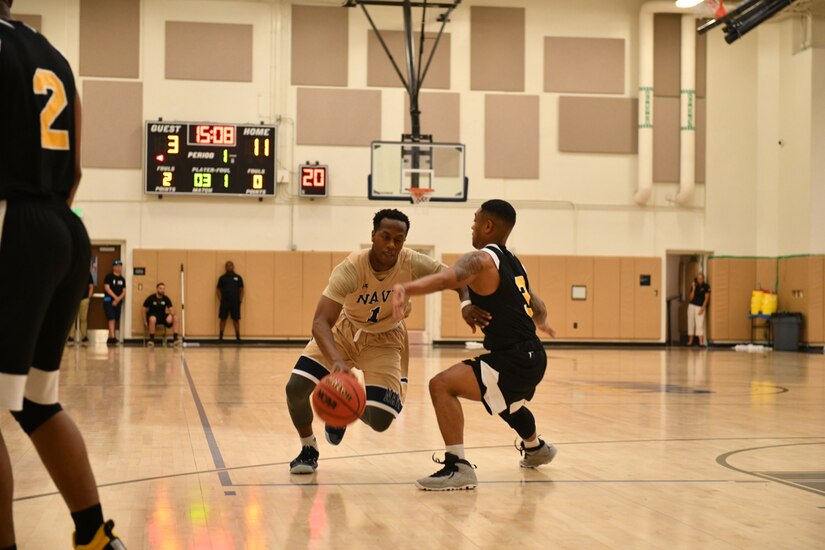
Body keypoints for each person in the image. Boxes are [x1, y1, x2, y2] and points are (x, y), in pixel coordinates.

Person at [0, 2, 126, 548]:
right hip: (63, 226)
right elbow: (75, 169)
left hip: (11, 221)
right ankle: (94, 535)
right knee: (36, 402)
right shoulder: (51, 55)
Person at [284, 209, 481, 475]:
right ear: (373, 236)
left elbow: (459, 278)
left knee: (380, 420)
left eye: (398, 239)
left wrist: (466, 303)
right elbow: (320, 322)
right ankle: (308, 449)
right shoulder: (351, 268)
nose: (391, 244)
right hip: (346, 331)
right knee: (295, 388)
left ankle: (343, 408)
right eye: (385, 237)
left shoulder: (412, 262)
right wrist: (337, 362)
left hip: (386, 340)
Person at [392, 199, 557, 491]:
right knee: (507, 402)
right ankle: (536, 449)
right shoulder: (514, 262)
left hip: (515, 358)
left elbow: (447, 278)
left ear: (488, 225)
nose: (472, 225)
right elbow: (539, 307)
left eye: (475, 220)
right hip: (533, 355)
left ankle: (458, 467)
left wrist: (407, 288)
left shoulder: (479, 259)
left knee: (441, 385)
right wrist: (540, 322)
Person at [141, 282, 180, 347]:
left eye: (163, 289)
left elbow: (171, 309)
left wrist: (172, 314)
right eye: (160, 288)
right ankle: (152, 340)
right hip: (153, 317)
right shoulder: (151, 298)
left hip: (162, 317)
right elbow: (143, 309)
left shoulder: (166, 298)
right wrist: (145, 321)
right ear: (157, 289)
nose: (162, 290)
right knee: (152, 319)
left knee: (176, 318)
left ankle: (175, 339)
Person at [216, 261, 243, 342]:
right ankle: (220, 338)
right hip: (225, 302)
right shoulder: (222, 278)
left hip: (235, 302)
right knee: (223, 319)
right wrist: (221, 299)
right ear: (225, 267)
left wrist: (240, 300)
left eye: (230, 265)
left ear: (233, 266)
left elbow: (242, 290)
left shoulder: (238, 277)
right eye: (227, 266)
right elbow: (218, 290)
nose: (229, 267)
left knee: (236, 319)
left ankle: (238, 338)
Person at [102, 259, 126, 346]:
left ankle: (111, 337)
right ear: (113, 267)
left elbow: (124, 291)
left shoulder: (122, 279)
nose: (118, 267)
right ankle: (112, 337)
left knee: (115, 318)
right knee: (111, 318)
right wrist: (115, 298)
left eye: (120, 266)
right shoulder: (109, 276)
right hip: (108, 300)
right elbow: (107, 288)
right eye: (116, 266)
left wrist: (118, 299)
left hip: (118, 301)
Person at [68, 273, 94, 345]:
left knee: (83, 319)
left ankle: (84, 337)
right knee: (72, 319)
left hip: (84, 299)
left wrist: (88, 297)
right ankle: (71, 337)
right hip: (73, 299)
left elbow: (91, 286)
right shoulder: (72, 273)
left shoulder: (88, 274)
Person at [687, 272, 710, 347]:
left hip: (700, 306)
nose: (699, 279)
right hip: (691, 306)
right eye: (698, 278)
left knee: (699, 324)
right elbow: (690, 298)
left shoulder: (706, 286)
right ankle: (690, 341)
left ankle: (701, 342)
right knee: (691, 322)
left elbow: (707, 298)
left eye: (701, 278)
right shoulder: (694, 285)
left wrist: (703, 307)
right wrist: (693, 288)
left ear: (703, 279)